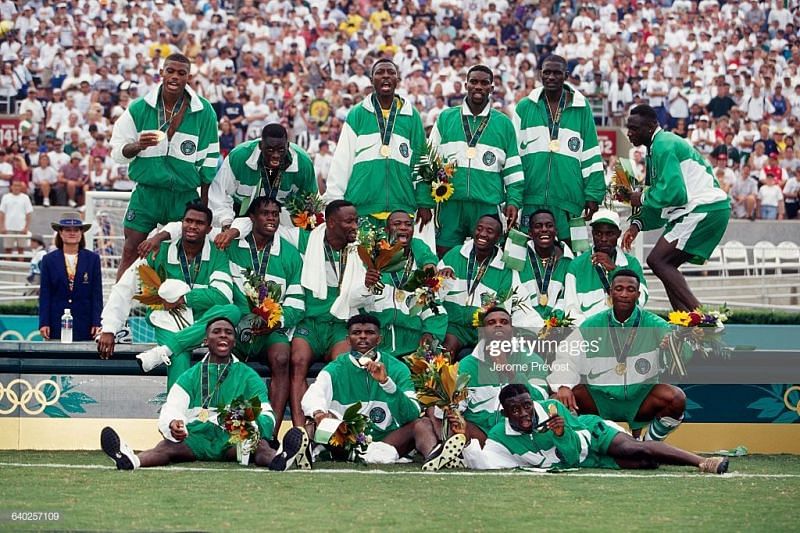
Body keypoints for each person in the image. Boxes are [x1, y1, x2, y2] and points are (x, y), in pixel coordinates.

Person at [135, 196, 304, 437]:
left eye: (275, 214)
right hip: (235, 327)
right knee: (222, 346)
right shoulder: (227, 245)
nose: (271, 219)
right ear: (251, 219)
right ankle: (208, 427)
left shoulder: (290, 254)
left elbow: (298, 303)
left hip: (269, 328)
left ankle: (270, 434)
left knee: (281, 358)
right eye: (265, 214)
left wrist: (272, 321)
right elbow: (185, 228)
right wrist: (160, 236)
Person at [100, 317, 310, 471]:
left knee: (260, 446)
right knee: (166, 446)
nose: (223, 335)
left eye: (228, 332)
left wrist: (249, 424)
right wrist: (174, 425)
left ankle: (280, 459)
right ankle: (131, 460)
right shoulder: (189, 376)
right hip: (197, 437)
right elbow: (172, 408)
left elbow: (266, 414)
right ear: (205, 340)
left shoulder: (248, 375)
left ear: (234, 342)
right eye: (216, 332)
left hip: (232, 438)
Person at [97, 203, 234, 390]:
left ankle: (166, 350)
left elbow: (222, 296)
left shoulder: (218, 254)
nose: (192, 226)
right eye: (188, 221)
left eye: (199, 223)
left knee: (232, 311)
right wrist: (109, 328)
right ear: (181, 224)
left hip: (203, 322)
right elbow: (125, 287)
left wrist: (183, 299)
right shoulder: (158, 251)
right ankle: (175, 416)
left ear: (209, 229)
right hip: (168, 320)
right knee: (180, 357)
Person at [301, 314, 463, 470]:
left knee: (422, 424)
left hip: (388, 440)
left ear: (379, 339)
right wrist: (319, 413)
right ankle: (299, 453)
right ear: (348, 340)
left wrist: (387, 383)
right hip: (347, 441)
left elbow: (411, 414)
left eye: (370, 333)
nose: (363, 337)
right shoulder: (335, 369)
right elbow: (314, 394)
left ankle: (436, 458)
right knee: (315, 423)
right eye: (357, 333)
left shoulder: (397, 368)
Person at [110, 53, 220, 280]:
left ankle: (179, 309)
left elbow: (209, 159)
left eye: (181, 73)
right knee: (131, 251)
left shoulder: (204, 111)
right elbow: (118, 151)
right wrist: (138, 146)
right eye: (170, 71)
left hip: (184, 195)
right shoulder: (140, 108)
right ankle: (114, 315)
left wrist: (204, 207)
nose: (175, 77)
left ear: (188, 77)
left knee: (183, 256)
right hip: (147, 192)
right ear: (161, 72)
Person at [460, 384, 728, 474]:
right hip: (588, 461)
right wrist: (465, 449)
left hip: (592, 436)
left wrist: (562, 433)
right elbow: (488, 461)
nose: (524, 414)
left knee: (633, 448)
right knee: (646, 463)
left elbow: (574, 448)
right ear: (505, 413)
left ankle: (704, 462)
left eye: (527, 406)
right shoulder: (499, 434)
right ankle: (656, 455)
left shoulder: (552, 409)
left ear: (533, 402)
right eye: (516, 410)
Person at [552, 269, 689, 441]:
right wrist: (563, 385)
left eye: (630, 290)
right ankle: (584, 444)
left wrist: (674, 345)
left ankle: (650, 443)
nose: (624, 294)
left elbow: (684, 356)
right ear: (610, 292)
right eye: (619, 289)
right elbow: (566, 355)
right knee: (558, 398)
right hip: (599, 398)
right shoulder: (592, 324)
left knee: (676, 398)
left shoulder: (655, 324)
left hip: (640, 398)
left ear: (638, 294)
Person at [623, 104, 731, 312]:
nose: (629, 133)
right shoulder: (656, 148)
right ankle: (686, 324)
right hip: (704, 209)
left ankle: (705, 319)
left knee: (658, 261)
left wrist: (640, 197)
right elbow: (660, 197)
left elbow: (674, 193)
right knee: (664, 265)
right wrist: (637, 224)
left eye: (635, 128)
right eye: (628, 128)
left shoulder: (663, 145)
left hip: (703, 208)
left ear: (651, 126)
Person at [428, 65, 524, 256]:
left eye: (484, 83)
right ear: (466, 85)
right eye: (474, 82)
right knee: (445, 258)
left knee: (487, 259)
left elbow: (513, 169)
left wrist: (513, 200)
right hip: (450, 204)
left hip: (486, 204)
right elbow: (428, 161)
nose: (478, 86)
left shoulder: (504, 123)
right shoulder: (446, 118)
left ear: (492, 88)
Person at [324, 59, 433, 225]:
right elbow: (342, 159)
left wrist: (424, 201)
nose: (386, 76)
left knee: (400, 252)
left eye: (391, 73)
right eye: (380, 73)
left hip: (401, 209)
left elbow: (422, 159)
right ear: (371, 79)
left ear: (398, 79)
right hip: (362, 208)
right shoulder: (358, 113)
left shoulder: (411, 115)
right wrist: (335, 201)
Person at [513, 54, 604, 246]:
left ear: (566, 75)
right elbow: (513, 155)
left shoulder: (581, 107)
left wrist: (593, 194)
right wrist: (513, 196)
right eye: (547, 72)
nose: (551, 77)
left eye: (557, 73)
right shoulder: (524, 107)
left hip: (568, 198)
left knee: (572, 254)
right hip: (530, 196)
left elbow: (590, 152)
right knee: (521, 255)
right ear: (540, 74)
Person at [361, 210, 444, 357]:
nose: (403, 227)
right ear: (386, 230)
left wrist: (430, 334)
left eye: (408, 224)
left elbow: (435, 309)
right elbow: (358, 301)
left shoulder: (418, 273)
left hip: (412, 344)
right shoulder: (372, 265)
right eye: (397, 224)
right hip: (377, 344)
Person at [209, 123, 317, 233]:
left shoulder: (303, 163)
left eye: (281, 150)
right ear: (261, 145)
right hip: (238, 215)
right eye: (270, 150)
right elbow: (218, 195)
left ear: (287, 146)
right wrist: (226, 223)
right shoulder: (239, 157)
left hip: (280, 219)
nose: (276, 155)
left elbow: (311, 203)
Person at [438, 214, 512, 356]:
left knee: (485, 359)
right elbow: (433, 291)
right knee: (446, 353)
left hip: (485, 329)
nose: (482, 234)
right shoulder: (455, 253)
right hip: (454, 326)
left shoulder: (505, 268)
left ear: (498, 238)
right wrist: (441, 279)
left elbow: (503, 306)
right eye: (479, 229)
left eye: (490, 231)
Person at [563, 209, 647, 326]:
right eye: (598, 233)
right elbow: (571, 309)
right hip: (588, 332)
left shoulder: (631, 263)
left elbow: (641, 299)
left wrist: (615, 271)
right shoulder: (577, 265)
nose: (603, 239)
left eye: (609, 234)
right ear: (592, 234)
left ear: (618, 234)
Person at [38, 211, 102, 341]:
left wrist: (97, 321)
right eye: (67, 230)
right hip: (56, 321)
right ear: (60, 233)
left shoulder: (93, 259)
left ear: (81, 233)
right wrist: (44, 322)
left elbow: (96, 294)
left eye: (76, 230)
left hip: (85, 322)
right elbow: (45, 294)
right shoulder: (48, 260)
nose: (72, 233)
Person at [511, 209, 574, 328]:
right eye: (538, 226)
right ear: (530, 233)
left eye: (549, 226)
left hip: (558, 327)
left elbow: (567, 297)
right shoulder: (517, 256)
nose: (544, 229)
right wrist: (537, 325)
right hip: (524, 325)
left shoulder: (569, 260)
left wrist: (554, 323)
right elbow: (516, 295)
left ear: (556, 231)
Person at [0, 179, 33, 258]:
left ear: (21, 187)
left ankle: (21, 268)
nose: (16, 187)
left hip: (21, 228)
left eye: (18, 186)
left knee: (21, 249)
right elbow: (2, 213)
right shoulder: (6, 197)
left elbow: (28, 214)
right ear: (11, 187)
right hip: (8, 228)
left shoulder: (25, 198)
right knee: (8, 249)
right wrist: (2, 227)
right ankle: (7, 268)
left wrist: (26, 228)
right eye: (15, 185)